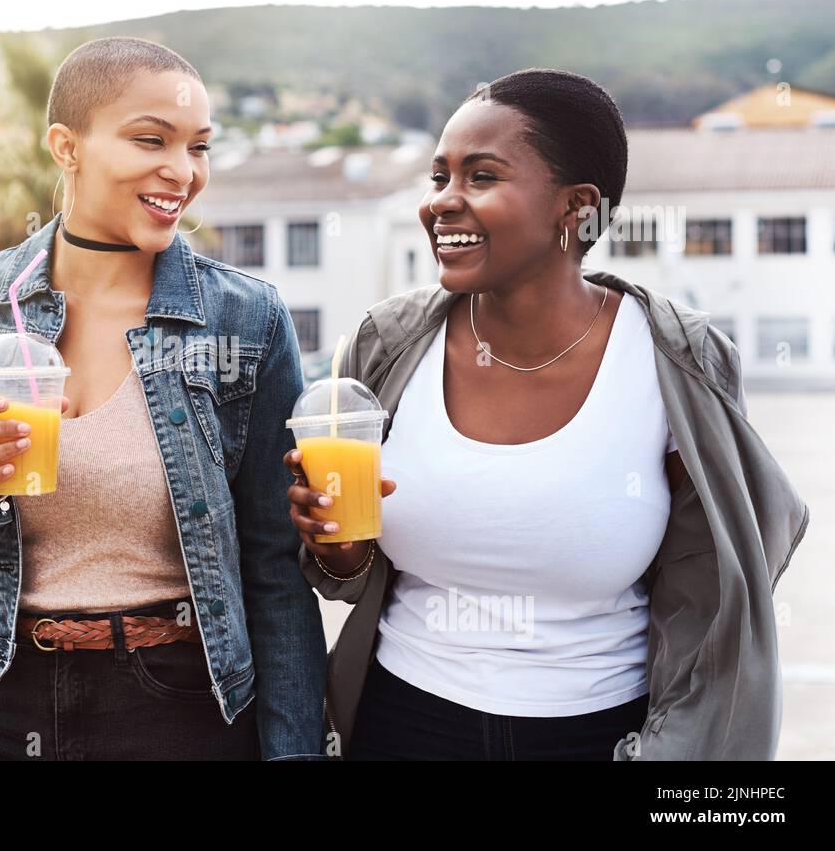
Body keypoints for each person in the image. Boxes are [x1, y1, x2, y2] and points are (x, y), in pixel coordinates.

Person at [286, 68, 810, 761]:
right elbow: (346, 573)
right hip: (399, 725)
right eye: (439, 176)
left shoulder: (676, 362)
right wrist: (337, 549)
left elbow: (714, 599)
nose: (442, 202)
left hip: (598, 734)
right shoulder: (387, 345)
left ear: (576, 207)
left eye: (481, 177)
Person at [0, 36, 327, 760]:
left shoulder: (245, 319)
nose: (182, 172)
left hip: (176, 702)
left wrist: (295, 753)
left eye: (198, 147)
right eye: (150, 140)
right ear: (65, 147)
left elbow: (277, 575)